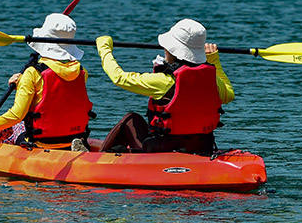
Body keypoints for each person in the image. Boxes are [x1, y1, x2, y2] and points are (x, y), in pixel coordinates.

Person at [95, 18, 234, 155]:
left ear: (172, 50)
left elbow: (119, 78)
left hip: (164, 148)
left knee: (131, 119)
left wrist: (104, 49)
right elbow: (229, 95)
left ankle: (99, 160)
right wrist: (214, 61)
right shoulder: (212, 79)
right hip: (202, 146)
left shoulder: (165, 81)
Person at [0, 13, 94, 151]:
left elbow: (16, 116)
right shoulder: (81, 72)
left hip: (40, 142)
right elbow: (59, 93)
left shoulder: (33, 73)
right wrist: (22, 83)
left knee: (13, 127)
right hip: (71, 138)